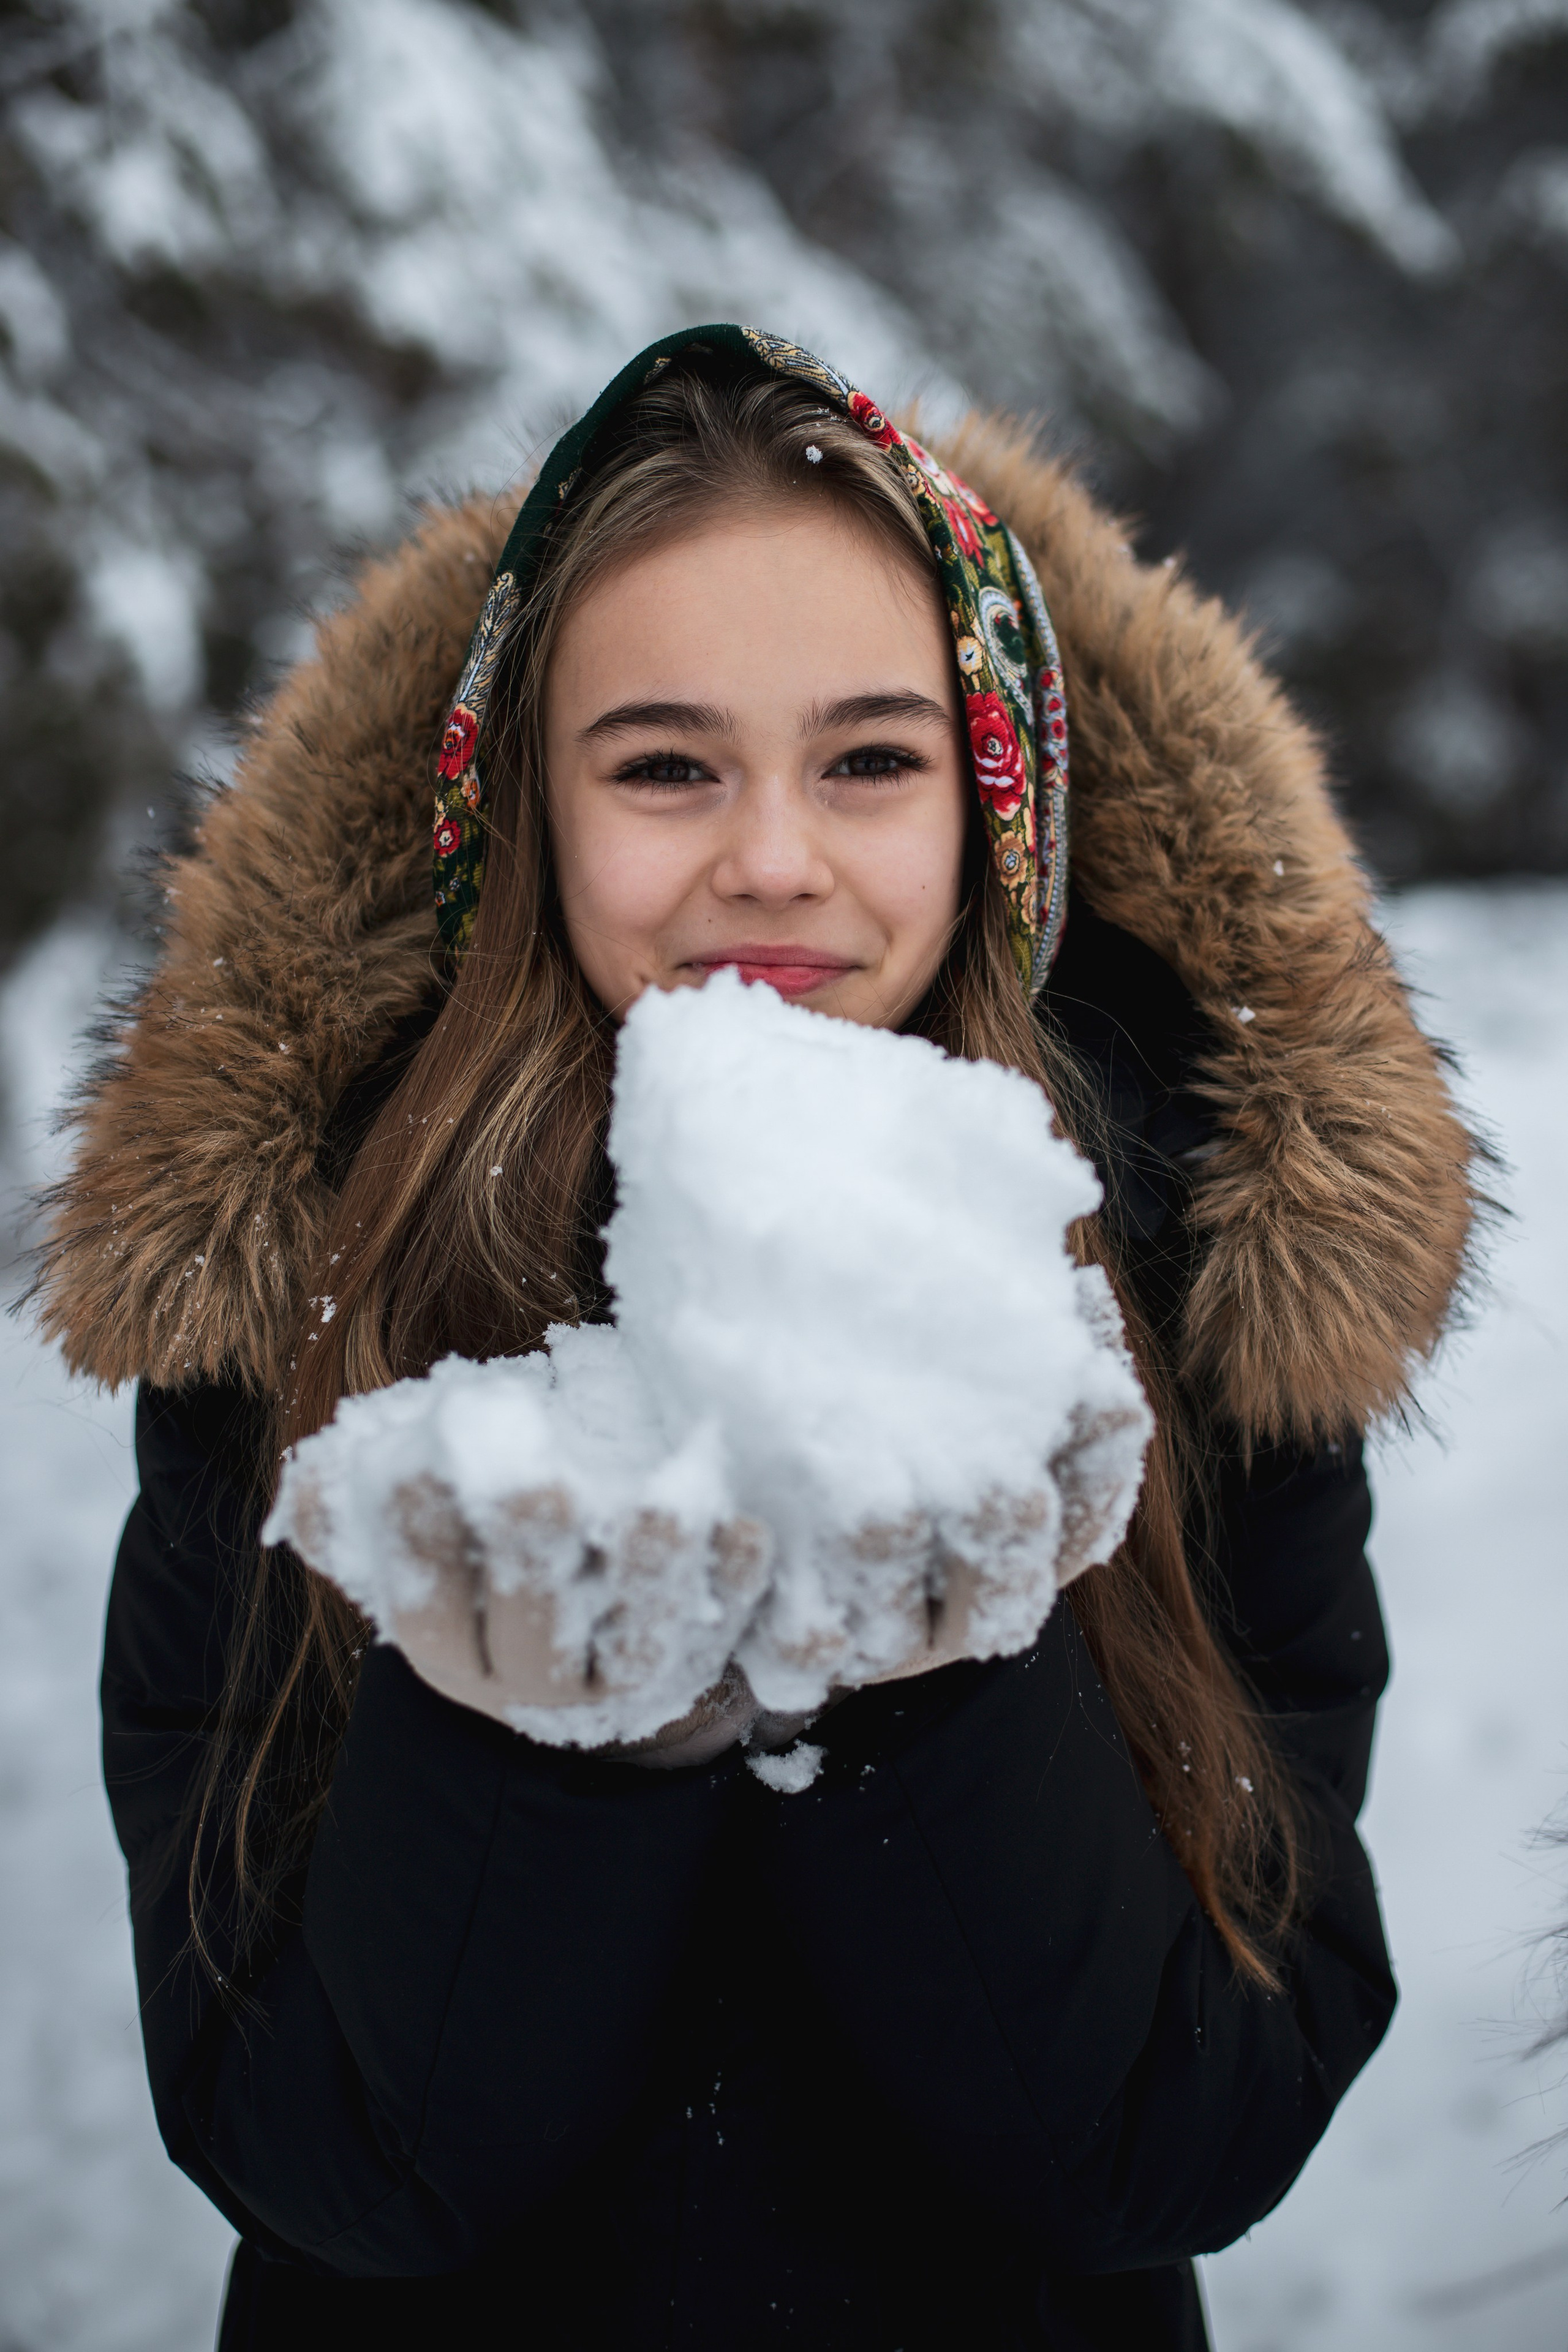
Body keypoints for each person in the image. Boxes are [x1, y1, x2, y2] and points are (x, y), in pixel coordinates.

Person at [37, 327, 1477, 2351]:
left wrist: (928, 1682)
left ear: (991, 809)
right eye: (664, 766)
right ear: (530, 809)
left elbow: (1187, 2138)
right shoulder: (315, 1279)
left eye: (871, 760)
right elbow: (308, 2149)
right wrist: (562, 1732)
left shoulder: (1192, 1269)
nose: (773, 860)